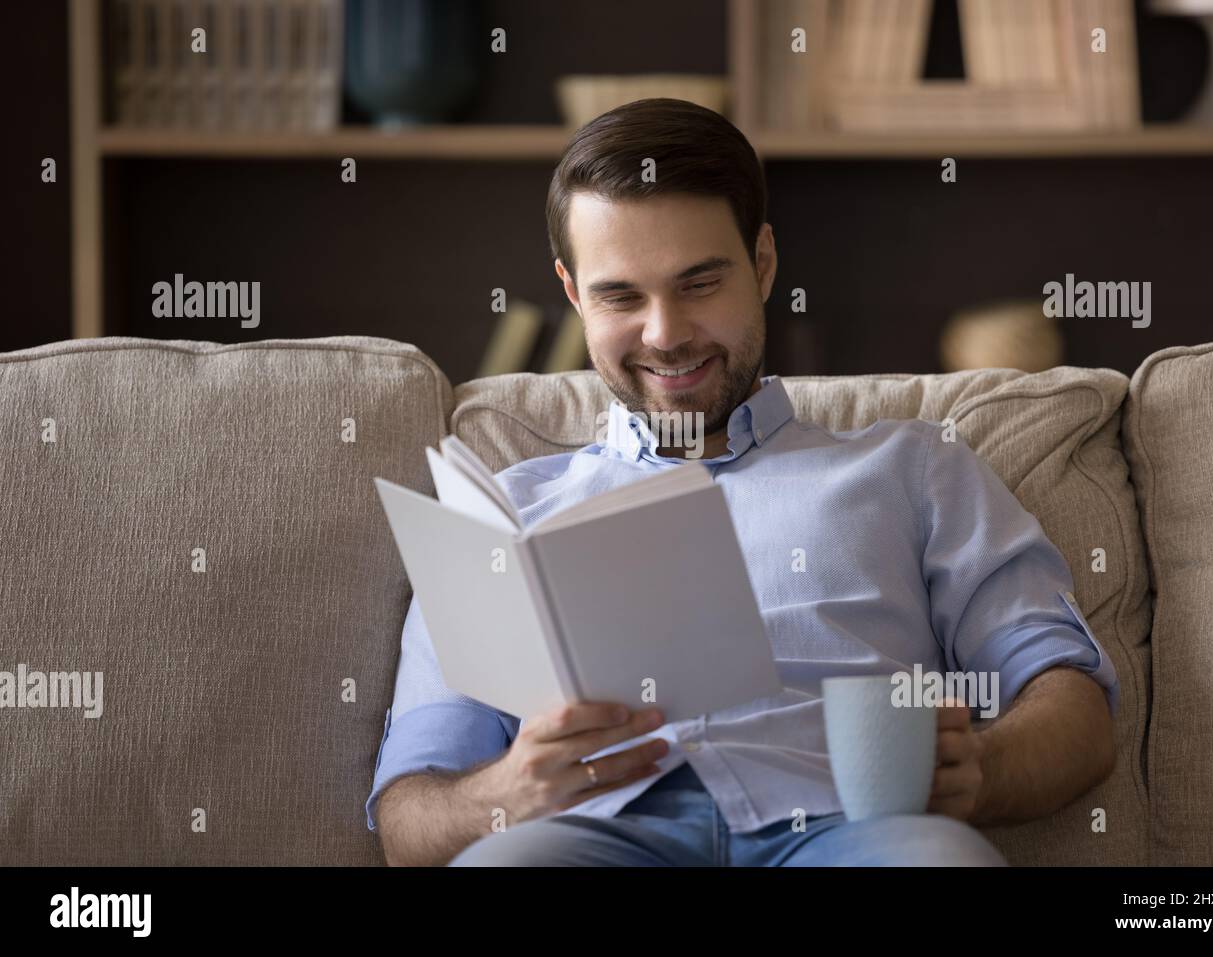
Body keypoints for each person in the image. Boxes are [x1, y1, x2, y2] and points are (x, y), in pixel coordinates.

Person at [366, 98, 1119, 867]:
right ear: (572, 293)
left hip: (849, 830)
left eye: (699, 283)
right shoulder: (502, 514)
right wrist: (504, 795)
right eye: (621, 295)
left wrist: (982, 772)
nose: (665, 334)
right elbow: (408, 818)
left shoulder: (916, 467)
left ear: (762, 264)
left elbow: (1073, 703)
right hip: (589, 840)